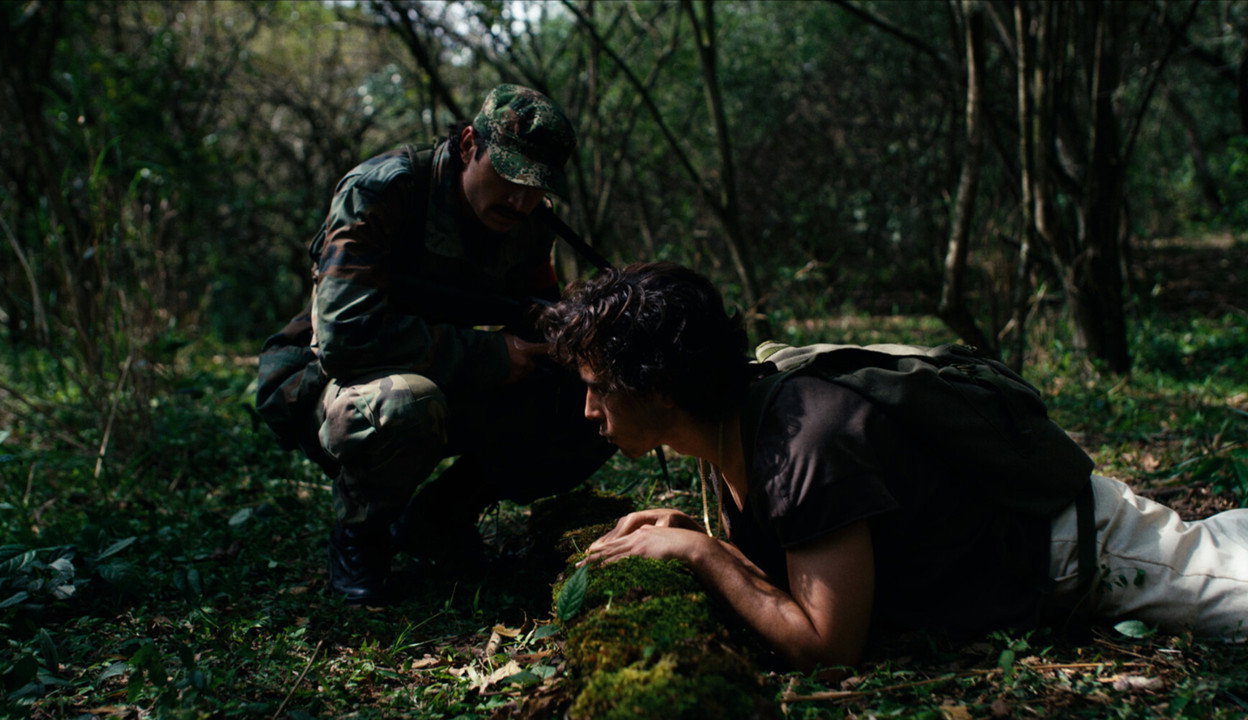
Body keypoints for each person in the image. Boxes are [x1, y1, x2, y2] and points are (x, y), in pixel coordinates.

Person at [540, 261, 1248, 670]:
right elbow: (797, 563)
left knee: (1231, 583)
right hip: (1034, 547)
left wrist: (702, 553)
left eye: (598, 387)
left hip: (1078, 545)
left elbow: (829, 644)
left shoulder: (800, 445)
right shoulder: (731, 429)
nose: (586, 411)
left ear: (658, 389)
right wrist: (713, 543)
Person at [255, 85, 615, 606]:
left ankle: (438, 517)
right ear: (470, 144)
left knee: (588, 401)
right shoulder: (385, 190)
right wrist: (491, 357)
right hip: (337, 383)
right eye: (510, 176)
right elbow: (345, 337)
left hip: (445, 379)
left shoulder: (529, 222)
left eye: (536, 186)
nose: (521, 199)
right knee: (408, 403)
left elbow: (543, 319)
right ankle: (361, 534)